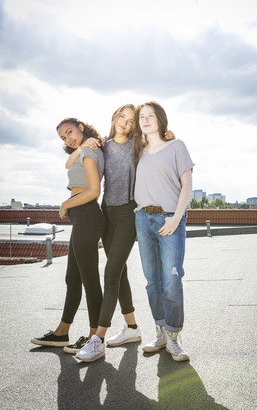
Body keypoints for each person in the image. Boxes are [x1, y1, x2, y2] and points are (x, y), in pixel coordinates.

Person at [75, 104, 175, 362]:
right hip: (106, 212)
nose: (126, 123)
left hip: (128, 215)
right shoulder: (103, 145)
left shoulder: (138, 145)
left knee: (111, 273)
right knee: (120, 273)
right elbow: (76, 160)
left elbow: (161, 143)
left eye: (132, 121)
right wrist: (84, 145)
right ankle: (132, 328)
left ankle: (97, 339)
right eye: (123, 117)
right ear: (114, 117)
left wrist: (167, 136)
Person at [31, 118, 105, 352]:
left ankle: (95, 338)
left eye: (70, 132)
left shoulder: (90, 153)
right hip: (81, 217)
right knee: (72, 279)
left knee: (89, 280)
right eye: (63, 137)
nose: (68, 138)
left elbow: (94, 191)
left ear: (81, 127)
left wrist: (66, 203)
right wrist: (80, 146)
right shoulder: (84, 149)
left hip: (87, 215)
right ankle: (62, 332)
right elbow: (67, 165)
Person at [133, 101, 194, 362]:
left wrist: (176, 219)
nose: (146, 120)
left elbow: (187, 186)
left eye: (151, 116)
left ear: (160, 119)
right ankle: (159, 331)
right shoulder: (137, 150)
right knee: (152, 281)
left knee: (172, 279)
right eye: (142, 117)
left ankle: (173, 337)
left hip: (170, 219)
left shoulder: (177, 146)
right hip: (142, 220)